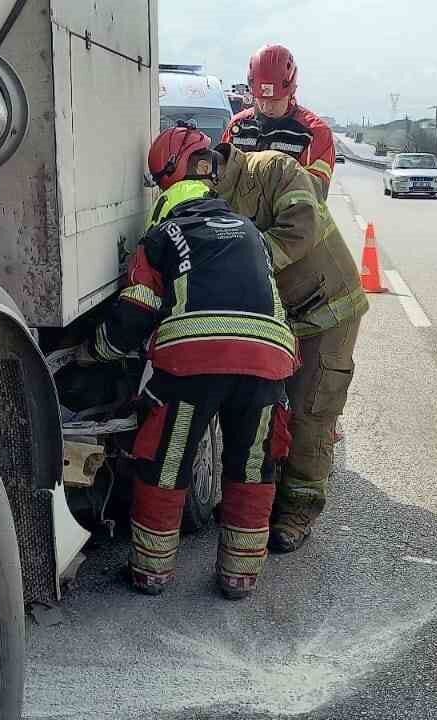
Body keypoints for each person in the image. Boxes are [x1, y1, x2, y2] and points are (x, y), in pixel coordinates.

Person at [78, 123, 296, 599]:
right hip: (268, 364)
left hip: (193, 365)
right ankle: (239, 578)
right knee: (253, 465)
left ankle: (151, 573)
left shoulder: (163, 237)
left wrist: (92, 352)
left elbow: (133, 316)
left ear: (166, 184)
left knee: (166, 460)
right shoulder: (252, 234)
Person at [208, 140, 366, 554]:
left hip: (330, 309)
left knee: (310, 411)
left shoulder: (275, 169)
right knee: (264, 408)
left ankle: (298, 510)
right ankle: (262, 497)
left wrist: (243, 260)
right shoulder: (210, 194)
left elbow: (302, 228)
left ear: (215, 164)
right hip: (282, 317)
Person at [222, 44, 338, 201]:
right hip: (239, 222)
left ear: (291, 91)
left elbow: (314, 195)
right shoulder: (238, 126)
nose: (267, 107)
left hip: (290, 220)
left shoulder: (315, 133)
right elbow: (221, 181)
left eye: (275, 100)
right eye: (261, 99)